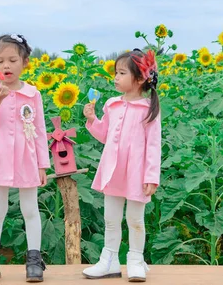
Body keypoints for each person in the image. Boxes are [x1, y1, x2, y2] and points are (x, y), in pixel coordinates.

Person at [0, 34, 51, 283]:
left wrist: (42, 164)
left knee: (30, 209)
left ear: (25, 62)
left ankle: (34, 261)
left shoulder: (32, 93)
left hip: (26, 157)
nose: (6, 65)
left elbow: (39, 130)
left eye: (13, 60)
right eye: (0, 60)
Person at [82, 49, 162, 282]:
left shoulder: (149, 109)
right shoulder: (111, 104)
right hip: (113, 170)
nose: (115, 77)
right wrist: (91, 120)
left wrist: (151, 176)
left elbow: (154, 146)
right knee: (111, 218)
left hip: (137, 173)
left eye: (121, 73)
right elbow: (105, 135)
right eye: (115, 72)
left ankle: (136, 260)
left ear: (139, 79)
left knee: (136, 220)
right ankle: (109, 260)